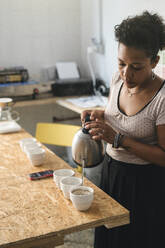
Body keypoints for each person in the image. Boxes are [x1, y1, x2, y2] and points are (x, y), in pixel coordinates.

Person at [81, 11, 165, 248]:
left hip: (144, 186)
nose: (126, 73)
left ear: (154, 62)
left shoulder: (162, 99)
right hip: (112, 174)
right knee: (109, 239)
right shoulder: (117, 81)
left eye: (136, 67)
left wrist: (118, 139)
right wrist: (101, 114)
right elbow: (117, 115)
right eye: (121, 63)